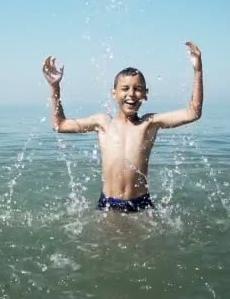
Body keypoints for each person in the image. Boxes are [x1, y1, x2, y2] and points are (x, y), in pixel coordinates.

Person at [42, 41, 203, 212]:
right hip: (108, 204)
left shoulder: (149, 124)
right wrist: (54, 87)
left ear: (145, 94)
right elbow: (59, 124)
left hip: (141, 204)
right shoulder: (103, 123)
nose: (131, 94)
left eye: (138, 89)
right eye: (125, 88)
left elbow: (193, 113)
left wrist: (198, 71)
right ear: (114, 93)